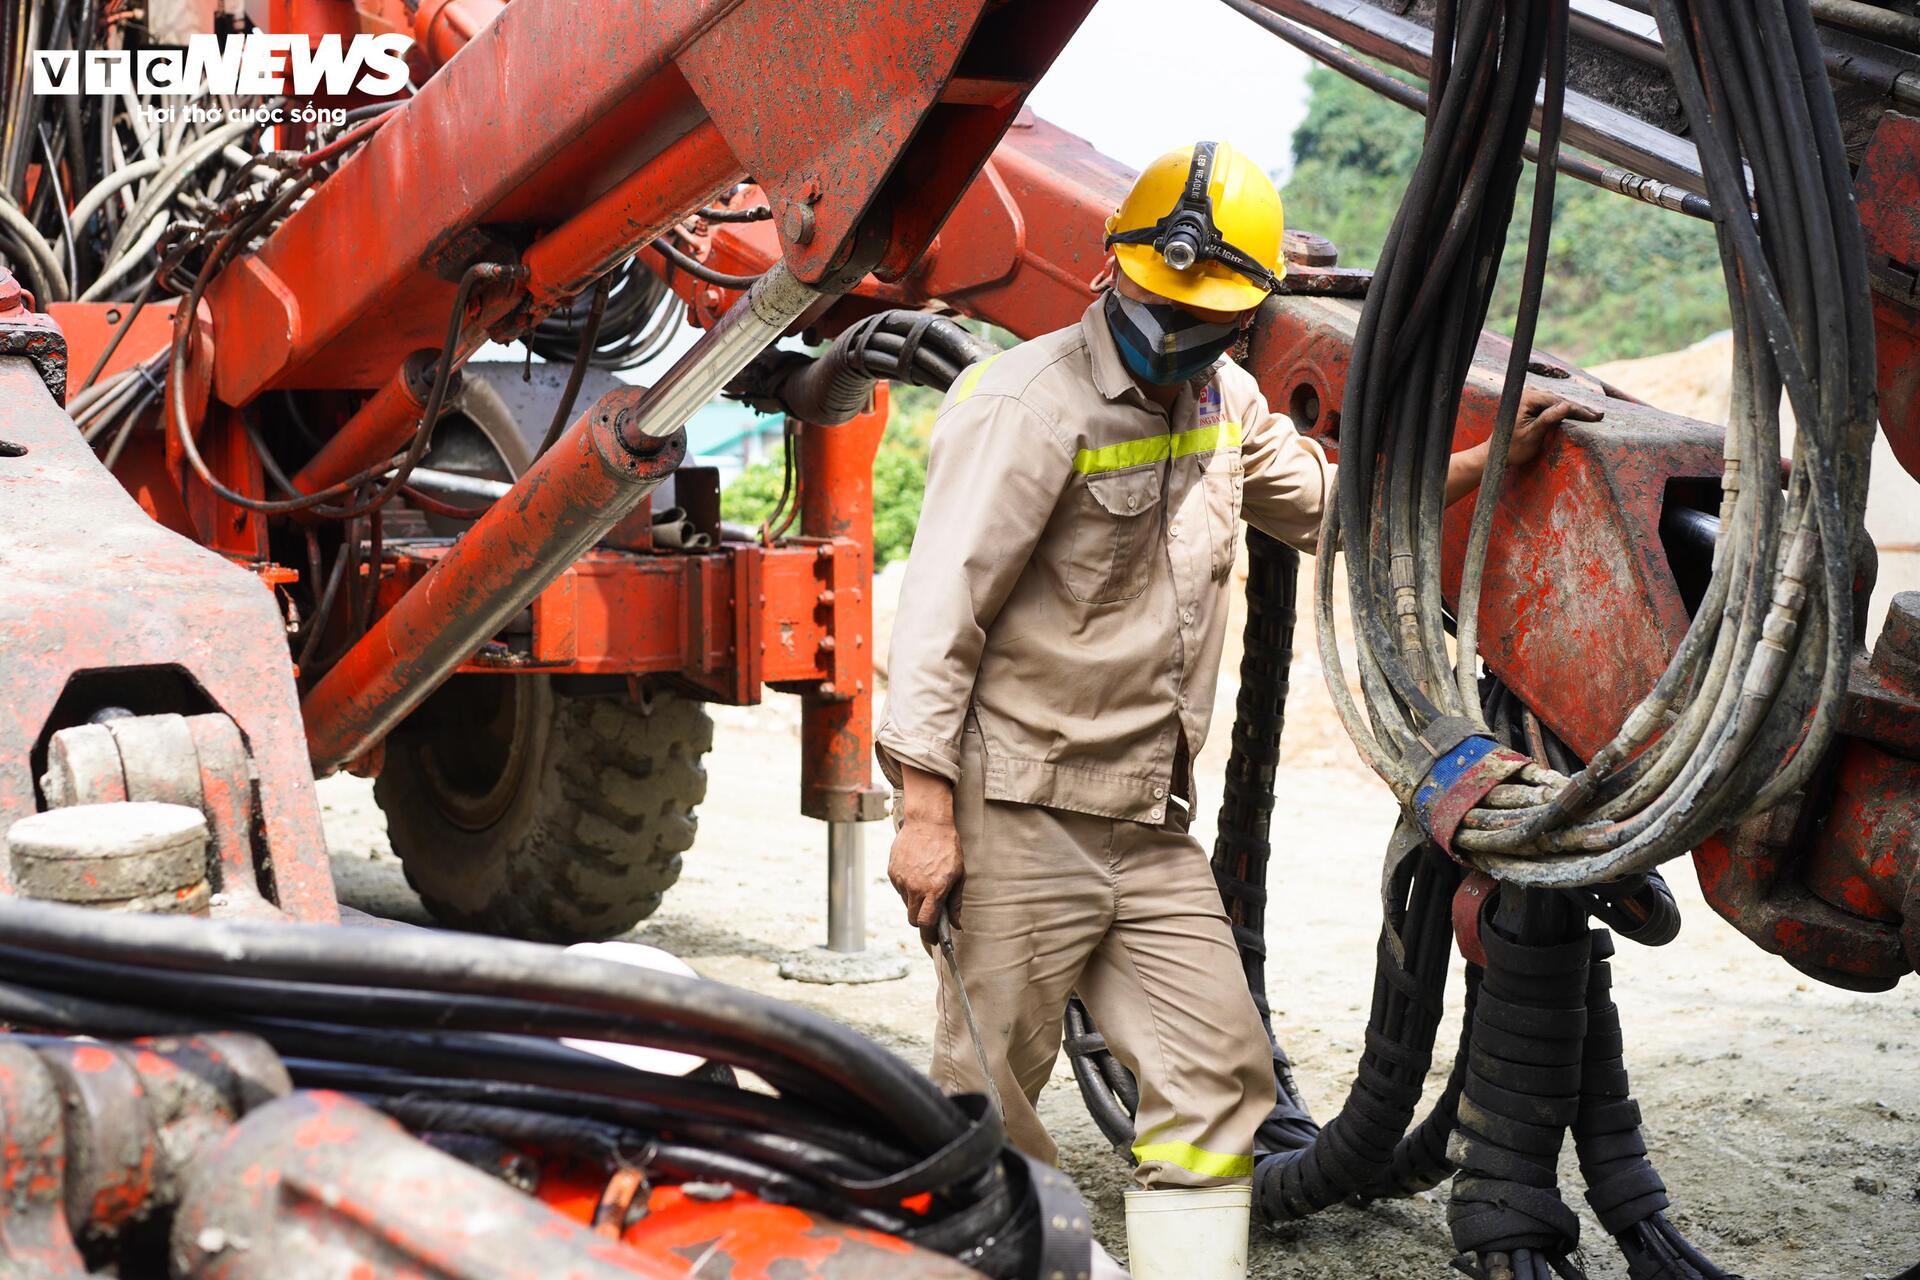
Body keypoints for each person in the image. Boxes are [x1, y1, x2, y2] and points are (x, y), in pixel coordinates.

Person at [876, 140, 1599, 1279]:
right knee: (986, 1100)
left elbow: (1325, 502)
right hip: (1017, 808)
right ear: (1112, 270)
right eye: (1157, 300)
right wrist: (924, 810)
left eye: (1201, 313)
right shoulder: (1025, 406)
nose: (1170, 329)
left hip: (1148, 821)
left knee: (1217, 1073)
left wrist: (1480, 461)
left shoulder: (1229, 402)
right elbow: (937, 617)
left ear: (1247, 312)